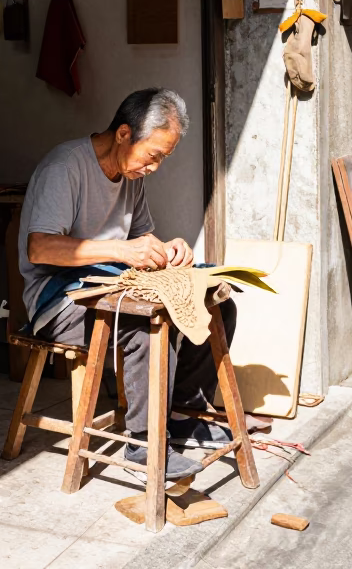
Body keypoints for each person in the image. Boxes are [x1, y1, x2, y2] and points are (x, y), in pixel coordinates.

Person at [19, 88, 235, 482]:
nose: (154, 167)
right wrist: (122, 249)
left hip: (109, 284)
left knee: (215, 300)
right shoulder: (65, 167)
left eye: (163, 159)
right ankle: (143, 444)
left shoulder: (130, 175)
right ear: (123, 134)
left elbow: (142, 242)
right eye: (152, 155)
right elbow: (40, 248)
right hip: (59, 299)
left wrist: (170, 250)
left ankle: (179, 413)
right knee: (144, 326)